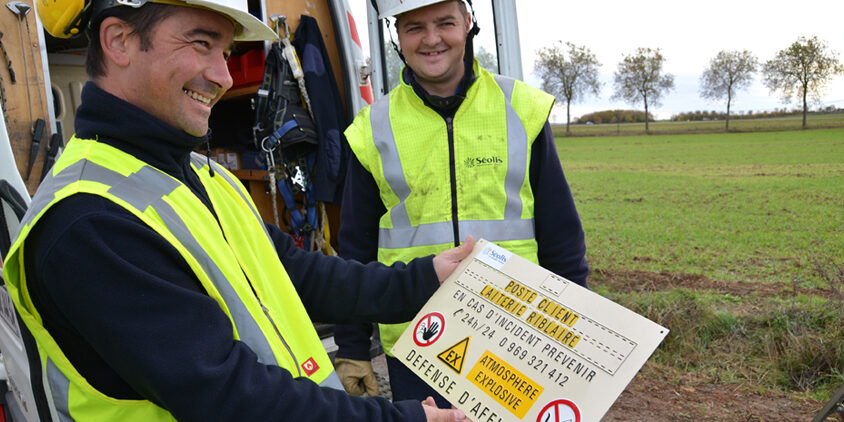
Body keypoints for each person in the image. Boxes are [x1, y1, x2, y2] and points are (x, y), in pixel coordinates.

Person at [2, 0, 473, 420]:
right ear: (119, 41)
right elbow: (230, 396)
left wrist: (427, 278)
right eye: (201, 44)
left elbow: (298, 275)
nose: (224, 77)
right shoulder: (88, 220)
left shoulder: (204, 176)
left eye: (223, 53)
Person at [333, 0, 589, 408]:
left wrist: (576, 334)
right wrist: (352, 345)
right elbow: (356, 249)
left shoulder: (521, 108)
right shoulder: (371, 130)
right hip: (418, 343)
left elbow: (561, 237)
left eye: (445, 23)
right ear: (397, 36)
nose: (432, 39)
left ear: (469, 24)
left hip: (516, 338)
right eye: (415, 27)